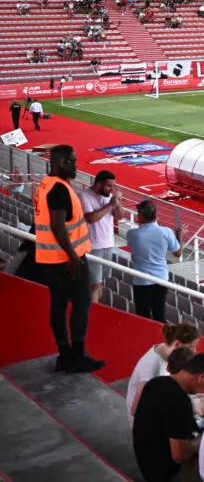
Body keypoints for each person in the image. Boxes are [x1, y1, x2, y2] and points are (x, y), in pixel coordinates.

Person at [33, 144, 104, 372]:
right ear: (59, 162)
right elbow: (57, 225)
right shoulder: (59, 189)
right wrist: (73, 256)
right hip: (67, 261)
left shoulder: (47, 185)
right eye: (71, 162)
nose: (75, 166)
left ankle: (64, 356)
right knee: (81, 304)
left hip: (50, 259)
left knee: (59, 305)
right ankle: (77, 356)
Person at [132, 349, 204, 482]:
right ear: (201, 376)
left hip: (146, 464)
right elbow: (180, 455)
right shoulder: (179, 402)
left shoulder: (156, 383)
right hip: (166, 475)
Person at [128, 321, 204, 425]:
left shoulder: (165, 348)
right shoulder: (152, 367)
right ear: (177, 344)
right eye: (191, 347)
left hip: (162, 401)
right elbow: (135, 408)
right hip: (145, 419)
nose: (194, 351)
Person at [127, 200, 183, 322]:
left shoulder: (132, 234)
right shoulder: (166, 232)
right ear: (156, 215)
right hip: (161, 279)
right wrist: (179, 237)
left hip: (141, 281)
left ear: (140, 216)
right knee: (159, 315)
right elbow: (177, 252)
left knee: (143, 316)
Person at [79, 169, 121, 304]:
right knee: (94, 284)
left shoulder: (109, 197)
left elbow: (119, 216)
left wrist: (118, 203)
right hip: (93, 246)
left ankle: (98, 310)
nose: (111, 189)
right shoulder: (84, 195)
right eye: (109, 186)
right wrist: (110, 205)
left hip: (108, 244)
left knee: (100, 282)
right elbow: (91, 218)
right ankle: (92, 313)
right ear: (98, 183)